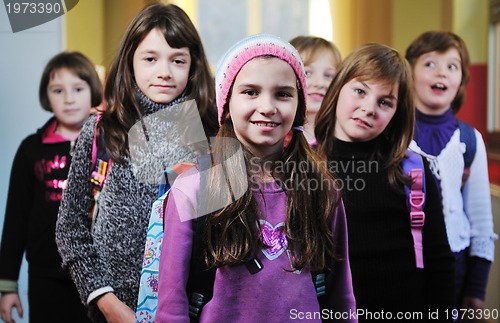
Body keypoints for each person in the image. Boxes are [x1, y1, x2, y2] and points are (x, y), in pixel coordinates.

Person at [156, 34, 356, 323]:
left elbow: (341, 299)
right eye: (250, 92)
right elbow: (171, 307)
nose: (267, 107)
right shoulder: (194, 190)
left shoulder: (323, 190)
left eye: (283, 94)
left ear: (299, 107)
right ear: (226, 104)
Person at [55, 3, 218, 323]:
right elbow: (70, 227)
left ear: (194, 65)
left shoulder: (212, 137)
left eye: (178, 60)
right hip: (109, 311)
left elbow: (219, 240)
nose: (164, 72)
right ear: (130, 61)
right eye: (150, 58)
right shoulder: (103, 129)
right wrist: (104, 299)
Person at [315, 43, 455, 320]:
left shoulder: (414, 170)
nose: (368, 108)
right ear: (338, 88)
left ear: (396, 113)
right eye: (360, 91)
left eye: (385, 102)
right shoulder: (305, 165)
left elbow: (439, 259)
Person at [0, 51, 102, 323]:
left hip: (96, 275)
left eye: (78, 89)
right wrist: (8, 284)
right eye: (58, 90)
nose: (68, 98)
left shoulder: (105, 143)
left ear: (92, 92)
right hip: (45, 274)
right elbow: (16, 218)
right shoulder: (31, 150)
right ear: (47, 96)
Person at [406, 31, 497, 313]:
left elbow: (481, 218)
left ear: (461, 81)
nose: (441, 73)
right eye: (430, 63)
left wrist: (476, 287)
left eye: (452, 66)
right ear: (408, 73)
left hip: (455, 266)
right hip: (403, 263)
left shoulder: (470, 140)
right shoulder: (392, 132)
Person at [289, 35, 341, 145]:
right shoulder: (277, 136)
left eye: (328, 75)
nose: (320, 83)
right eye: (307, 73)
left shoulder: (339, 138)